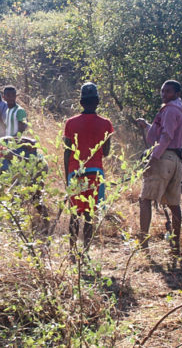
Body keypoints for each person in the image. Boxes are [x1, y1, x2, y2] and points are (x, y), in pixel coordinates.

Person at [135, 80, 182, 253]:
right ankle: (176, 245)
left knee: (145, 200)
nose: (164, 95)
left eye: (169, 92)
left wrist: (153, 158)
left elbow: (165, 137)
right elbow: (167, 135)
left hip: (163, 158)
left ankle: (143, 244)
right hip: (176, 160)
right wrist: (148, 126)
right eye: (163, 91)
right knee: (174, 204)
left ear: (177, 93)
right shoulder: (178, 110)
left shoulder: (170, 110)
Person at [63, 82, 113, 259]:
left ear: (81, 102)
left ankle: (71, 252)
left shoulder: (70, 123)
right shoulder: (106, 124)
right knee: (90, 215)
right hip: (95, 173)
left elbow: (67, 151)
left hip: (75, 173)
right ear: (98, 101)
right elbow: (106, 152)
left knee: (75, 214)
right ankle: (85, 252)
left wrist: (66, 178)